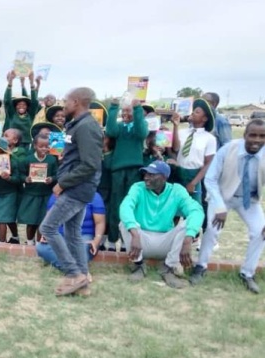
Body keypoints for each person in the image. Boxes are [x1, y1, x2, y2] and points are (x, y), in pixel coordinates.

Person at [39, 87, 103, 296]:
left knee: (48, 228)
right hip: (77, 187)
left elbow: (90, 165)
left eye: (66, 101)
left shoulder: (87, 126)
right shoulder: (77, 124)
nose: (63, 104)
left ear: (76, 102)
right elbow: (78, 157)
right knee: (73, 233)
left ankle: (73, 273)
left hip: (77, 189)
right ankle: (82, 282)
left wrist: (63, 183)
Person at [192, 119, 265, 293]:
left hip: (249, 199)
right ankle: (200, 266)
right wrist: (219, 206)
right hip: (222, 196)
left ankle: (248, 273)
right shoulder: (228, 149)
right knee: (212, 229)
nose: (257, 140)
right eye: (252, 135)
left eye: (262, 136)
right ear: (245, 135)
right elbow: (210, 179)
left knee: (260, 231)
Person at [119, 161, 204, 288]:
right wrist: (135, 234)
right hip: (141, 242)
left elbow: (197, 211)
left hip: (165, 243)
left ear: (164, 178)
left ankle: (168, 268)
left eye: (152, 175)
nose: (146, 177)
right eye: (146, 174)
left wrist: (188, 238)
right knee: (124, 223)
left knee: (187, 224)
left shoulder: (177, 191)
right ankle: (138, 266)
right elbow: (126, 206)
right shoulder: (138, 187)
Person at [105, 98, 149, 251]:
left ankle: (126, 240)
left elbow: (142, 132)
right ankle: (112, 240)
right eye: (123, 111)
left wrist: (137, 109)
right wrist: (114, 108)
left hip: (134, 169)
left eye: (128, 111)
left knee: (130, 205)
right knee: (115, 204)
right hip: (117, 169)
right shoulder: (119, 127)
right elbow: (110, 131)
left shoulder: (140, 126)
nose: (125, 114)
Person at [36, 192, 106, 282]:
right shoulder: (57, 195)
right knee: (42, 248)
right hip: (60, 234)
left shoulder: (94, 196)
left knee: (83, 249)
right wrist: (46, 235)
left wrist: (96, 241)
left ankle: (74, 270)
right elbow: (49, 219)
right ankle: (78, 271)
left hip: (83, 235)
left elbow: (100, 222)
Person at [171, 100, 217, 204]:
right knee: (174, 209)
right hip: (179, 173)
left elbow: (208, 163)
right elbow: (176, 148)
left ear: (204, 118)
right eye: (193, 111)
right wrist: (175, 126)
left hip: (194, 175)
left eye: (197, 112)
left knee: (194, 210)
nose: (192, 113)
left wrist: (193, 183)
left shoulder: (209, 138)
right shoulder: (182, 132)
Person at [18, 132, 58, 244]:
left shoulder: (52, 160)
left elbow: (57, 175)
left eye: (46, 146)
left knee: (43, 220)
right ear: (35, 146)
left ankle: (41, 242)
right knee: (31, 221)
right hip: (31, 194)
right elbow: (20, 174)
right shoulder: (28, 159)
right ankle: (29, 242)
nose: (44, 149)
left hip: (46, 194)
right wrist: (26, 179)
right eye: (41, 146)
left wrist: (51, 179)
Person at [3, 70, 40, 149]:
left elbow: (35, 101)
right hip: (12, 144)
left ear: (27, 107)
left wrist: (31, 83)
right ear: (15, 107)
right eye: (19, 104)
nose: (21, 106)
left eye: (24, 104)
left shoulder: (30, 115)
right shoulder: (12, 114)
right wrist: (10, 83)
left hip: (26, 144)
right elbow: (7, 100)